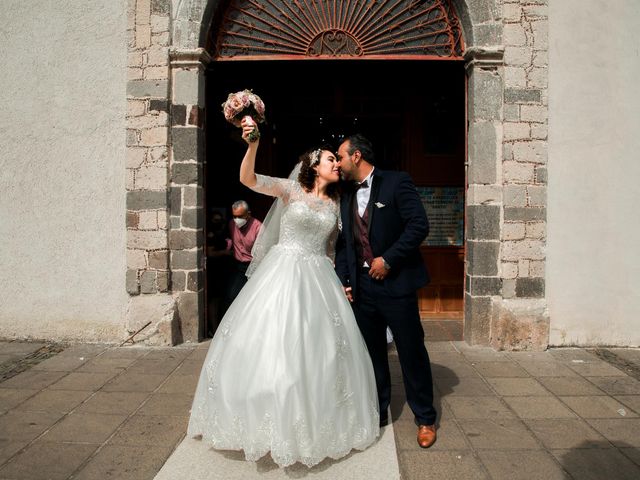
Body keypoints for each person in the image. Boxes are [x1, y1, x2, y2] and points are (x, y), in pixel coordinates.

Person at [187, 120, 380, 468]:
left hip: (319, 275)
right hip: (282, 271)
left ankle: (311, 421)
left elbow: (333, 250)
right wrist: (252, 144)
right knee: (273, 342)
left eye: (337, 160)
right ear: (312, 167)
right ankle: (263, 420)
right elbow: (249, 180)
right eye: (329, 160)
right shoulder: (291, 191)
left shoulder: (338, 204)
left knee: (318, 349)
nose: (336, 163)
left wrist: (342, 282)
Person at [334, 133, 438, 449]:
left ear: (356, 156)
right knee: (372, 354)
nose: (337, 163)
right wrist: (346, 280)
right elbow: (344, 244)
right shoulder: (346, 196)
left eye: (340, 156)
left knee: (411, 352)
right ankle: (378, 412)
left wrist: (389, 260)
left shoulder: (396, 182)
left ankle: (425, 418)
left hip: (397, 285)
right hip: (362, 290)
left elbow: (418, 225)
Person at [225, 200, 261, 305]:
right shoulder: (231, 224)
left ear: (248, 214)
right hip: (237, 266)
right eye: (235, 216)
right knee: (232, 296)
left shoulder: (258, 227)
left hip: (253, 266)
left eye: (240, 216)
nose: (237, 220)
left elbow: (262, 251)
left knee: (252, 299)